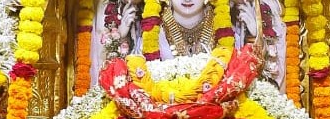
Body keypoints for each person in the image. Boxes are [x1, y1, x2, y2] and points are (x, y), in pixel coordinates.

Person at [90, 0, 286, 89]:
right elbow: (128, 79)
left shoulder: (228, 27)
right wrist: (121, 37)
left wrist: (256, 34)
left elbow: (251, 75)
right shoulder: (151, 29)